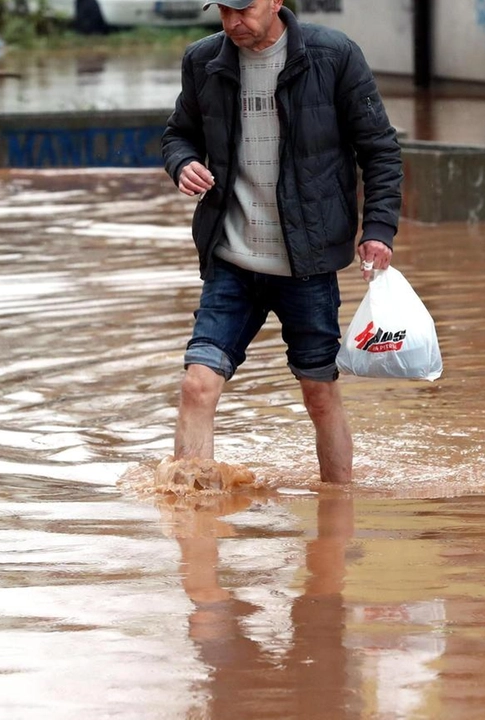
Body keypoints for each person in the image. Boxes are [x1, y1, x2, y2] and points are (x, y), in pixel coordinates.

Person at [161, 0, 403, 483]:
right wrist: (182, 163)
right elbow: (178, 135)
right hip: (230, 259)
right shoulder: (202, 61)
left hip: (306, 265)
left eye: (244, 9)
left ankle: (337, 513)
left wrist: (377, 230)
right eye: (223, 11)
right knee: (196, 386)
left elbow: (380, 150)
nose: (232, 23)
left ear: (275, 2)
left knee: (319, 393)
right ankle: (193, 528)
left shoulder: (333, 56)